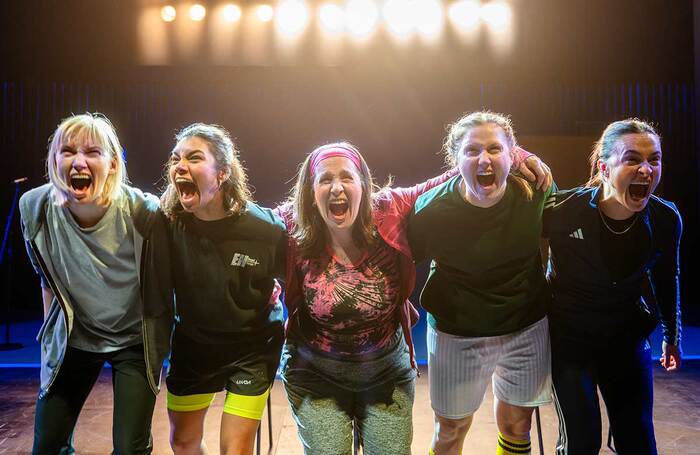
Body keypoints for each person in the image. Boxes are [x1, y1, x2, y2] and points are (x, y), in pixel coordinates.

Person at [276, 140, 549, 455]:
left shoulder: (388, 209)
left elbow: (454, 175)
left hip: (383, 371)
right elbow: (243, 219)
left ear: (363, 184)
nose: (337, 187)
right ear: (311, 192)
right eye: (325, 179)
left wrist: (516, 154)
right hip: (315, 373)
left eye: (347, 177)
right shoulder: (291, 225)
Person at [19, 113, 173, 454]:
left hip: (133, 341)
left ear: (114, 164)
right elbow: (46, 281)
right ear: (53, 161)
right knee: (47, 447)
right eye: (68, 151)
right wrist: (51, 344)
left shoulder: (142, 212)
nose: (78, 161)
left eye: (92, 152)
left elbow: (173, 277)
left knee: (129, 449)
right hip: (76, 338)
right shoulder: (35, 208)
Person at [408, 111, 554, 455]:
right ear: (455, 160)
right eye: (472, 151)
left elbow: (567, 240)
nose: (484, 159)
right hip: (457, 329)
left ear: (511, 155)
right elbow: (403, 262)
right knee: (451, 429)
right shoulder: (432, 210)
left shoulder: (535, 191)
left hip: (524, 324)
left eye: (494, 149)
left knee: (518, 426)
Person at [544, 119, 682, 455]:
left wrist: (671, 336)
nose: (646, 169)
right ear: (605, 168)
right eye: (633, 159)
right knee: (582, 443)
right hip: (570, 340)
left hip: (625, 338)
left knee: (639, 442)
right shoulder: (563, 212)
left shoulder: (665, 219)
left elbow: (666, 278)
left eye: (655, 159)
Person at [161, 123, 287, 455]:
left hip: (252, 347)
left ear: (222, 174)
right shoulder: (169, 225)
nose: (180, 166)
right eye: (176, 159)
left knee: (235, 449)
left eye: (194, 157)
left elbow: (297, 278)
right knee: (182, 442)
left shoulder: (265, 229)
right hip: (194, 346)